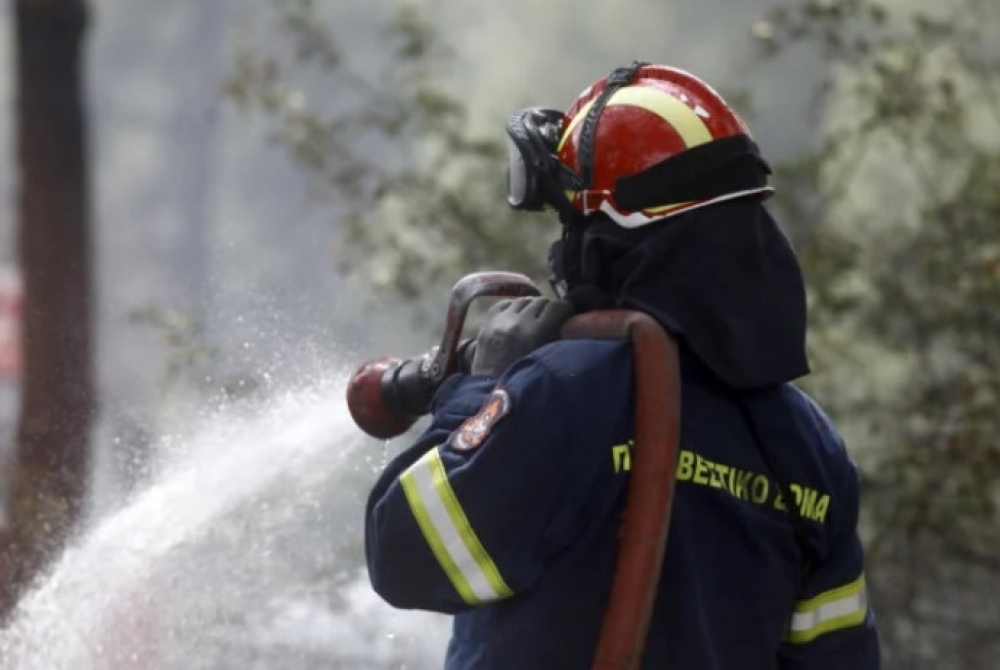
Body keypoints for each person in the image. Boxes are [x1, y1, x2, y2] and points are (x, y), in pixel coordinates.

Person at [364, 61, 881, 669]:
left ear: (604, 232)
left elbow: (406, 556)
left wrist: (477, 394)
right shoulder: (809, 447)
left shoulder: (567, 391)